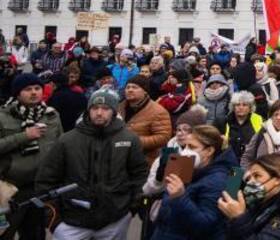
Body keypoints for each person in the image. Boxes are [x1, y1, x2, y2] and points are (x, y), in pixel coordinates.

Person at [36, 87, 149, 240]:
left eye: (105, 108)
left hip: (114, 221)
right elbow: (46, 180)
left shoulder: (129, 139)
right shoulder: (67, 140)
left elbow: (139, 175)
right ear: (88, 110)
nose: (99, 113)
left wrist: (131, 211)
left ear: (114, 111)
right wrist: (54, 221)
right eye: (95, 108)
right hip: (71, 223)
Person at [0, 72, 63, 240]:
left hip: (40, 187)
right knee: (5, 233)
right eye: (28, 89)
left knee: (35, 234)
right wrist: (24, 137)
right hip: (10, 189)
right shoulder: (3, 116)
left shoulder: (51, 115)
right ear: (17, 93)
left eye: (37, 88)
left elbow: (60, 147)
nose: (34, 92)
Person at [150, 124, 239, 240]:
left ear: (209, 151)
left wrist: (180, 197)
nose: (185, 151)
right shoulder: (190, 168)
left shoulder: (218, 181)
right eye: (185, 146)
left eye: (192, 147)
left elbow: (205, 225)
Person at [218, 153, 280, 240]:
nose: (251, 182)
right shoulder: (259, 204)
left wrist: (239, 218)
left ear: (278, 179)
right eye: (248, 179)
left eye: (257, 176)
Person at [119, 74, 173, 164]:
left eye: (135, 87)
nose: (130, 90)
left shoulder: (158, 111)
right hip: (119, 158)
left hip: (143, 160)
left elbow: (163, 137)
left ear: (145, 91)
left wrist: (134, 141)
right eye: (127, 87)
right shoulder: (119, 107)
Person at [225, 91, 263, 161]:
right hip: (229, 161)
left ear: (250, 107)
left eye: (244, 105)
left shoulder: (258, 119)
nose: (241, 107)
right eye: (237, 105)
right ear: (233, 107)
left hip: (251, 160)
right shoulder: (226, 121)